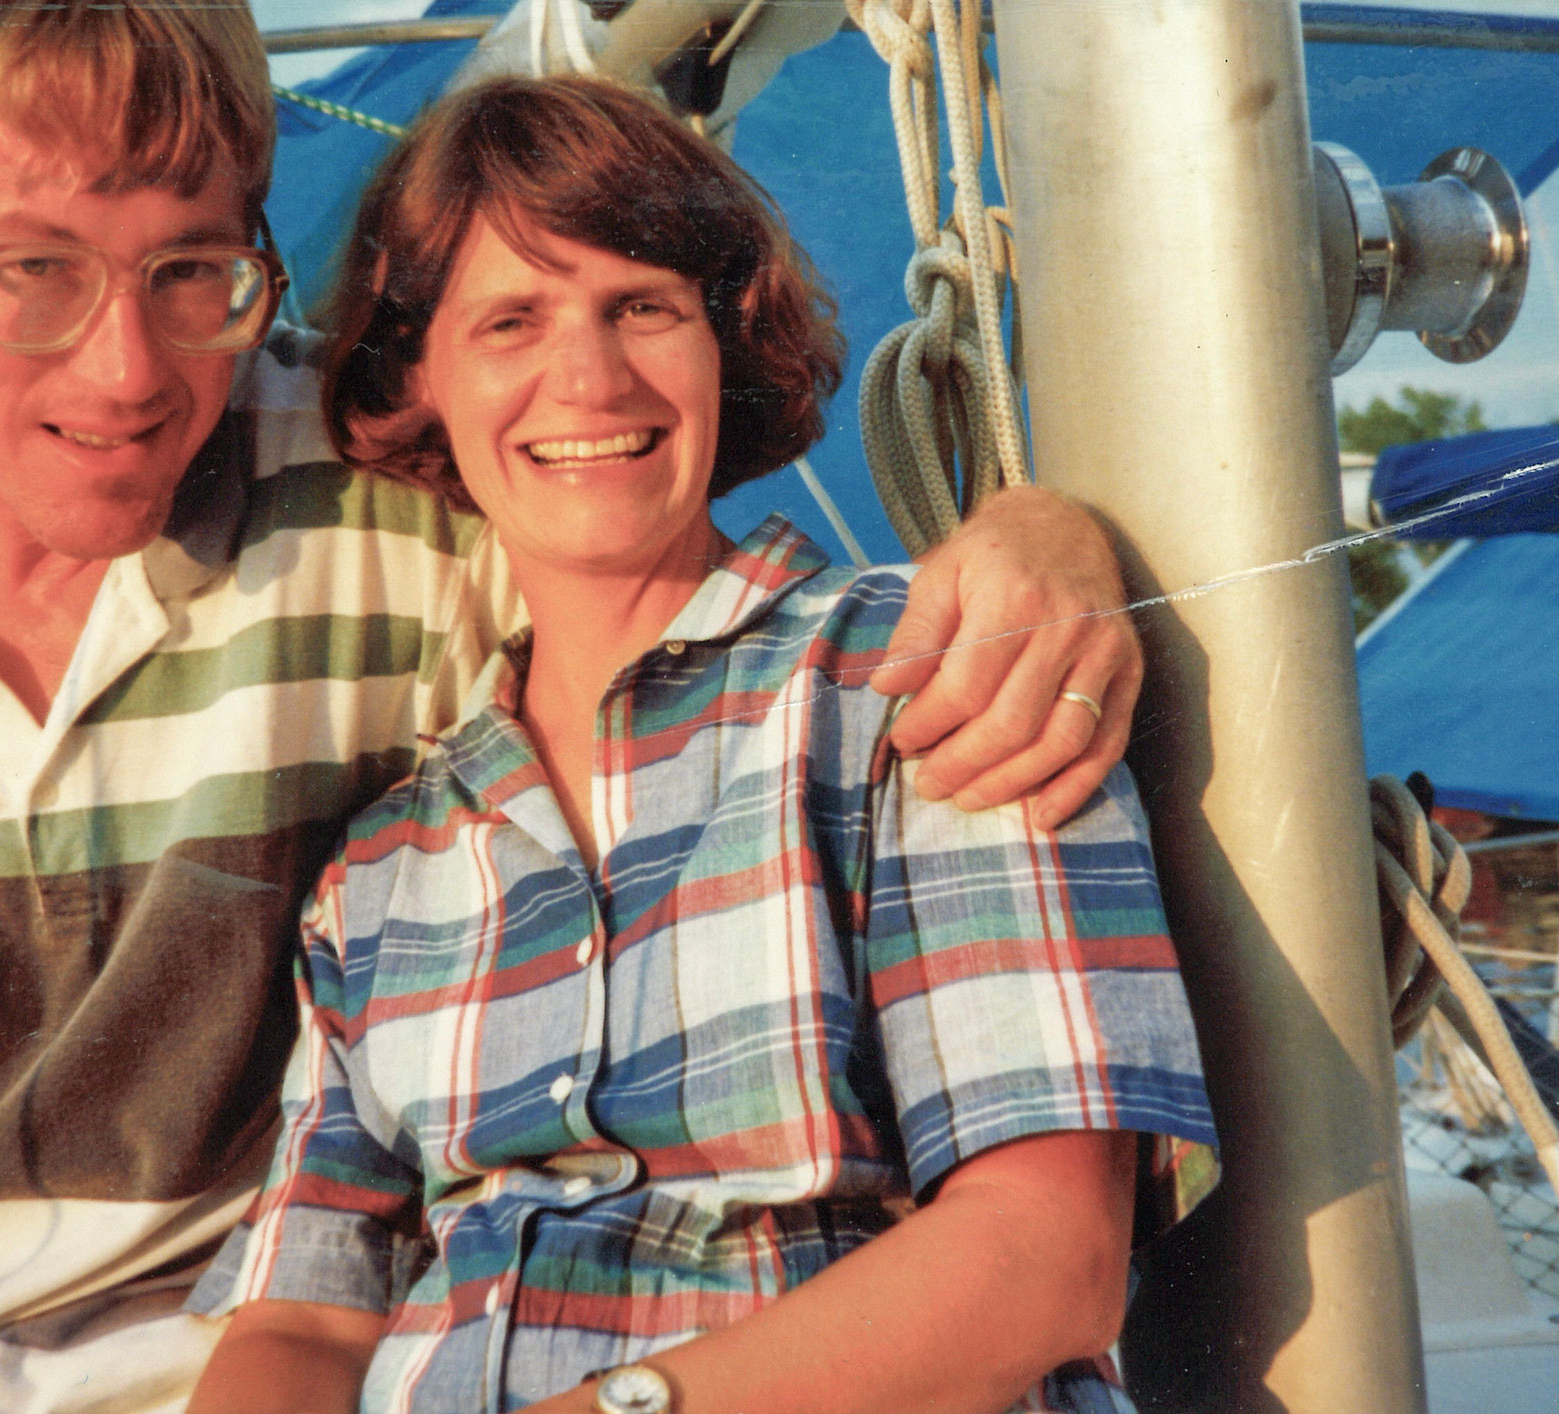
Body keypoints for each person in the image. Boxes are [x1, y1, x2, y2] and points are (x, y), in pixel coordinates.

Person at [0, 4, 1151, 1412]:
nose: (129, 370)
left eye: (194, 269)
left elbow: (625, 525)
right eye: (34, 271)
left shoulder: (434, 502)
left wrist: (1050, 538)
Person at [185, 76, 1216, 1414]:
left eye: (643, 307)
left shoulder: (917, 679)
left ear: (727, 342)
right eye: (511, 320)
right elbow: (304, 1329)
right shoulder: (383, 868)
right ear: (418, 377)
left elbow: (1043, 1256)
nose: (590, 377)